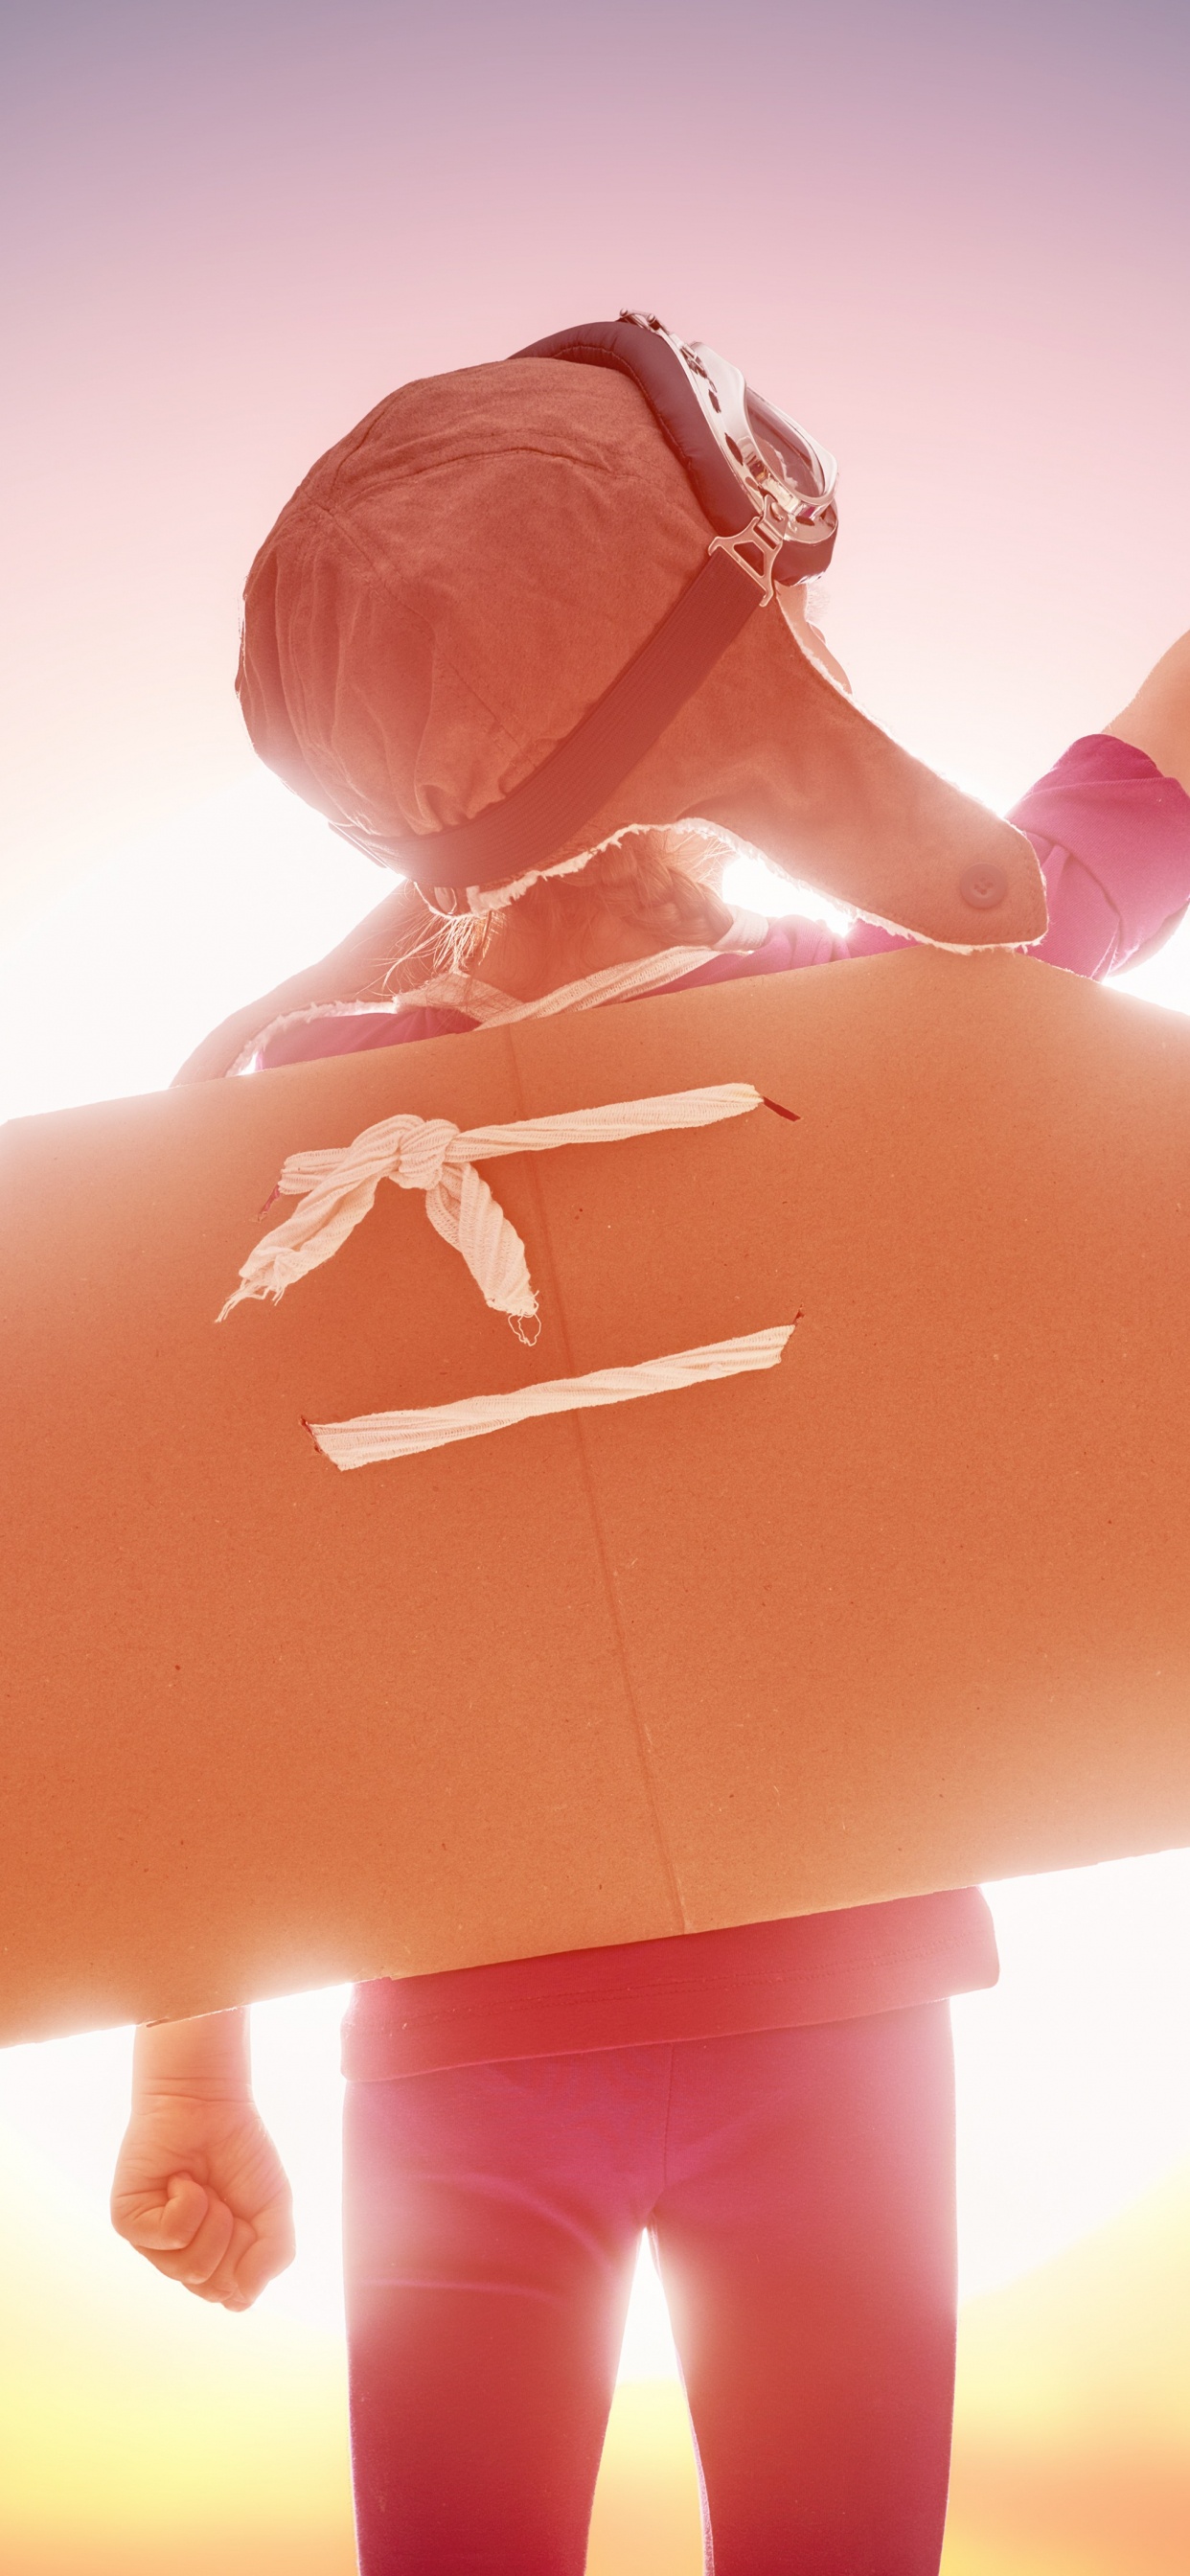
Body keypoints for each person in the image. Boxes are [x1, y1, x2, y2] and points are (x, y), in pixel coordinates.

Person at [111, 328, 1190, 2576]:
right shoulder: (909, 1007)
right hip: (796, 2042)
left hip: (477, 2055)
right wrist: (193, 2077)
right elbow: (1137, 786)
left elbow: (193, 1647)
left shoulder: (270, 1128)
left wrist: (196, 2077)